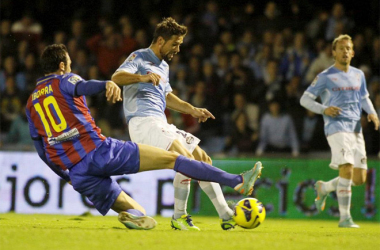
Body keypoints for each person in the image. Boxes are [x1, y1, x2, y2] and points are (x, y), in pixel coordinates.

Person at [26, 44, 263, 230]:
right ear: (61, 65)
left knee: (140, 214)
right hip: (101, 152)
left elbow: (42, 151)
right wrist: (106, 84)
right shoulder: (65, 79)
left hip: (78, 173)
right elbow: (84, 86)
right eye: (68, 63)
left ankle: (136, 216)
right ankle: (235, 181)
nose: (70, 66)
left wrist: (65, 176)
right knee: (175, 159)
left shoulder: (31, 103)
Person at [111, 17, 243, 231]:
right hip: (143, 123)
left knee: (203, 158)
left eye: (180, 45)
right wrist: (141, 78)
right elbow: (117, 77)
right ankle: (179, 216)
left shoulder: (164, 67)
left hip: (160, 122)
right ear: (161, 41)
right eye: (175, 44)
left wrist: (192, 109)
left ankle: (226, 215)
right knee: (185, 160)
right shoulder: (139, 57)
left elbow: (167, 97)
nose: (178, 50)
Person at [300, 34, 379, 228]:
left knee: (359, 178)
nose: (345, 51)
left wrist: (373, 113)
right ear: (333, 52)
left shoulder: (359, 75)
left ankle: (325, 187)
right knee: (347, 168)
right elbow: (305, 99)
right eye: (341, 48)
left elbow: (364, 98)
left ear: (352, 52)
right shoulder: (325, 77)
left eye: (348, 48)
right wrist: (323, 109)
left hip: (355, 128)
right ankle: (345, 218)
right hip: (336, 127)